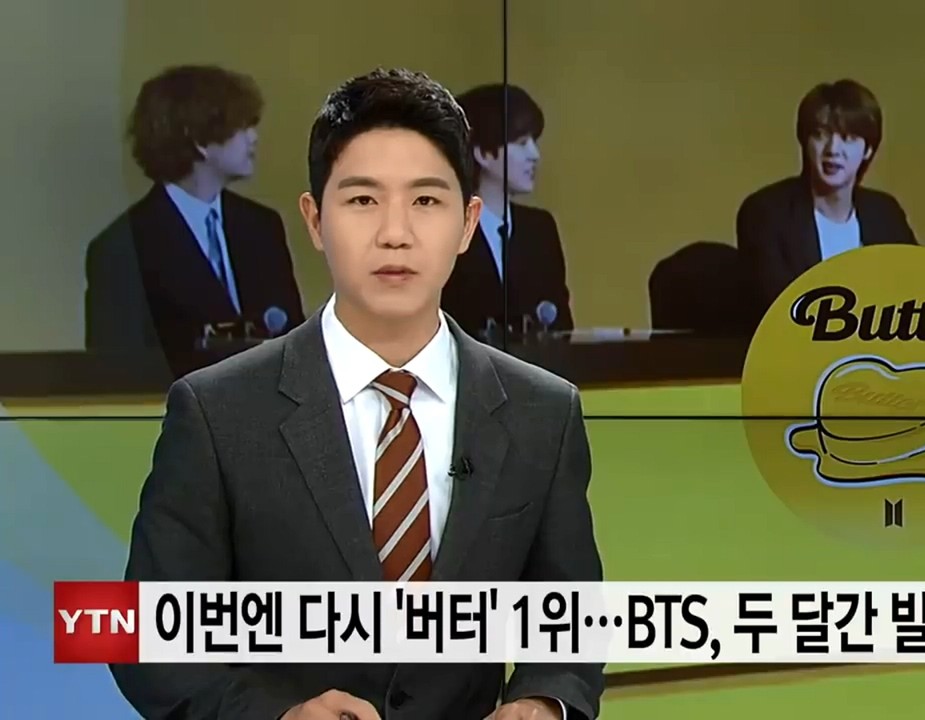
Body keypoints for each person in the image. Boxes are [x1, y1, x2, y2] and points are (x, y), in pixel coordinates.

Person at [109, 68, 604, 720]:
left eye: (426, 201)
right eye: (364, 200)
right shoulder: (216, 413)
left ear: (467, 223)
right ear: (315, 221)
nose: (395, 232)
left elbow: (569, 622)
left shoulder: (544, 412)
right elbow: (144, 638)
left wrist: (543, 701)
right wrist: (276, 714)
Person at [84, 64, 304, 375]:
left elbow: (294, 346)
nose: (253, 138)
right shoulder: (121, 248)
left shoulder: (262, 226)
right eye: (241, 126)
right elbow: (116, 375)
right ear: (199, 140)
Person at [736, 79, 917, 315]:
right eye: (821, 135)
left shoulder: (885, 213)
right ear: (805, 142)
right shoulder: (766, 213)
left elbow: (916, 293)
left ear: (868, 150)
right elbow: (779, 309)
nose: (833, 149)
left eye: (848, 138)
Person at [442, 83, 574, 338]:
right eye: (521, 143)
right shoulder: (444, 230)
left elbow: (561, 328)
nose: (534, 155)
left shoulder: (540, 229)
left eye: (534, 142)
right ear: (483, 154)